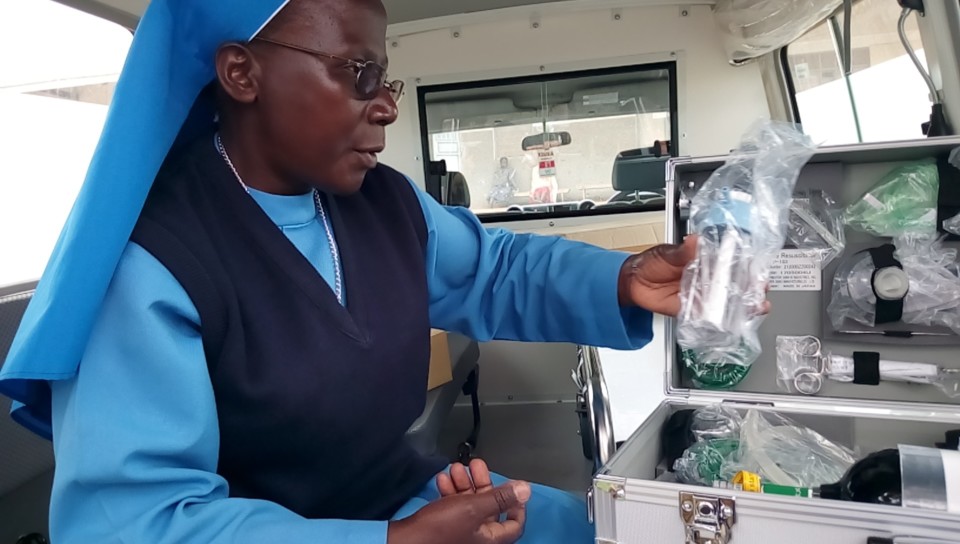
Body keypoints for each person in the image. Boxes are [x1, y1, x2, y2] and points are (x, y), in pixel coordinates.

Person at [0, 1, 765, 542]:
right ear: (240, 73)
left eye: (385, 79)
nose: (388, 109)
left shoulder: (377, 203)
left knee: (606, 526)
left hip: (392, 493)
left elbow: (492, 271)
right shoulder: (155, 261)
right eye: (358, 73)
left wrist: (625, 276)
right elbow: (137, 524)